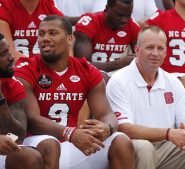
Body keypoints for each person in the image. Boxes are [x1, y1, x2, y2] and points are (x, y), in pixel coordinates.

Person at [14, 15, 135, 169]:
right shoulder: (26, 69)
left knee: (121, 141)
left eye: (53, 33)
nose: (45, 38)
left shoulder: (85, 70)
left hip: (71, 143)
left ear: (70, 39)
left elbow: (107, 114)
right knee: (50, 145)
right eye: (41, 34)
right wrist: (70, 133)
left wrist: (108, 127)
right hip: (36, 145)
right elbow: (31, 120)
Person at [106, 25, 185, 169]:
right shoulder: (119, 80)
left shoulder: (172, 81)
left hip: (166, 145)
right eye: (150, 47)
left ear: (166, 52)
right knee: (145, 148)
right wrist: (168, 134)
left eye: (160, 48)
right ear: (137, 50)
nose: (155, 53)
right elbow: (124, 129)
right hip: (132, 145)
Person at [0, 33, 60, 169]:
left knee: (35, 153)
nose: (11, 58)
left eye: (9, 50)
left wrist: (0, 99)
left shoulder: (12, 84)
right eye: (3, 54)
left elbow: (18, 135)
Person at [74, 0, 140, 78]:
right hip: (88, 77)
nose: (124, 20)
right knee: (103, 77)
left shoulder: (132, 26)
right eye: (120, 15)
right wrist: (118, 64)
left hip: (117, 78)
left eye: (128, 15)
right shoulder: (89, 23)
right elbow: (82, 65)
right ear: (107, 8)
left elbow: (142, 58)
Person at [0, 0, 65, 60]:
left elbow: (66, 43)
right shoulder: (5, 6)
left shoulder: (48, 6)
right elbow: (9, 52)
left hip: (45, 67)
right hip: (16, 68)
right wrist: (34, 67)